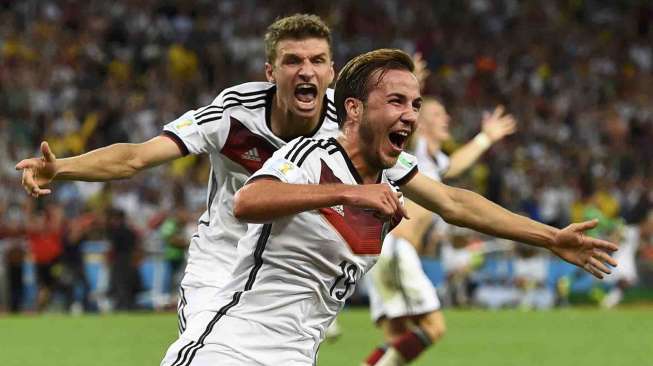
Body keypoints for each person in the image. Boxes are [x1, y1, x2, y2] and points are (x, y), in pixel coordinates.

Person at [161, 49, 618, 365]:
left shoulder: (393, 170)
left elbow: (456, 203)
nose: (411, 114)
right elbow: (250, 200)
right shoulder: (311, 154)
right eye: (396, 101)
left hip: (297, 354)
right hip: (228, 349)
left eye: (415, 104)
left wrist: (551, 237)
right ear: (354, 110)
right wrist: (349, 193)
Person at [15, 14, 338, 324]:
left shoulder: (353, 125)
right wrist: (61, 168)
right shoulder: (232, 113)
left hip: (291, 271)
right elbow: (136, 157)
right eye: (293, 61)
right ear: (271, 72)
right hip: (222, 262)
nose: (306, 71)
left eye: (317, 60)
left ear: (332, 71)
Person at [364, 97, 516, 364]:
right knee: (434, 328)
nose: (445, 119)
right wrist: (408, 91)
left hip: (385, 251)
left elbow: (455, 164)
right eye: (437, 113)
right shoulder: (413, 149)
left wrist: (485, 138)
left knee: (396, 338)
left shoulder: (431, 162)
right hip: (397, 249)